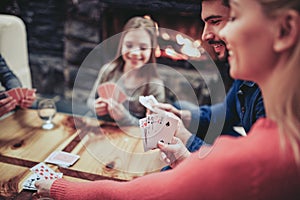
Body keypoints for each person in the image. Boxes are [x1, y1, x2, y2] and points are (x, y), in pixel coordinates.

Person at [35, 0, 300, 199]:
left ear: (285, 30)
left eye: (233, 19)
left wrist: (58, 186)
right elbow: (224, 112)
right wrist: (182, 117)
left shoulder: (259, 156)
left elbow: (132, 195)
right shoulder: (247, 87)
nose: (208, 35)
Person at [154, 0, 265, 154]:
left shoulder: (272, 95)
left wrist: (185, 137)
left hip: (247, 166)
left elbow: (252, 168)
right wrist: (182, 116)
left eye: (215, 21)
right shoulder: (244, 72)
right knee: (182, 107)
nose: (204, 36)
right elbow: (226, 113)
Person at [87, 16, 165, 126]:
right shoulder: (108, 71)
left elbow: (154, 126)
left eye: (143, 48)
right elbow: (90, 100)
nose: (135, 53)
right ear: (121, 45)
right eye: (129, 45)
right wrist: (95, 106)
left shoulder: (155, 85)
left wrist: (124, 117)